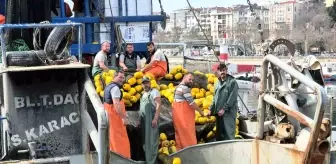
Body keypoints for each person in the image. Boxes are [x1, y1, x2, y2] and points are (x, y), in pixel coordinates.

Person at [172, 73, 205, 150]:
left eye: (192, 80)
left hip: (178, 117)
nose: (191, 81)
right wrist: (201, 112)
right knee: (188, 137)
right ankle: (191, 155)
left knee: (180, 137)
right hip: (184, 118)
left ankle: (181, 156)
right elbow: (192, 103)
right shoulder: (185, 89)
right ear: (184, 77)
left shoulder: (177, 87)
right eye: (189, 79)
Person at [103, 70, 131, 158]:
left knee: (112, 140)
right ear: (114, 77)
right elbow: (116, 104)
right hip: (115, 118)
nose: (122, 79)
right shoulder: (115, 88)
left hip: (109, 116)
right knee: (120, 140)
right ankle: (123, 159)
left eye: (123, 78)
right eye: (120, 77)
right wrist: (123, 118)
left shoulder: (108, 86)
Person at [209, 63, 239, 141]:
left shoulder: (232, 82)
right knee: (220, 135)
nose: (222, 72)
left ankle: (231, 151)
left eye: (224, 70)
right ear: (218, 71)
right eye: (220, 70)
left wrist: (224, 109)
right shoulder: (217, 83)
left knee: (229, 134)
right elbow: (215, 98)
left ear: (226, 70)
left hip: (228, 113)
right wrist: (210, 109)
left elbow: (232, 98)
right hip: (219, 114)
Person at [138, 76, 161, 164]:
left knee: (152, 140)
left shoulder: (154, 92)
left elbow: (158, 105)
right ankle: (148, 160)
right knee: (145, 141)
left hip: (151, 120)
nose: (145, 85)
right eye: (144, 83)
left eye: (147, 83)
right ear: (142, 85)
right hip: (144, 121)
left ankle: (153, 161)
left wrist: (155, 118)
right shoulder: (143, 94)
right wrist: (139, 121)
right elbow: (141, 110)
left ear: (150, 83)